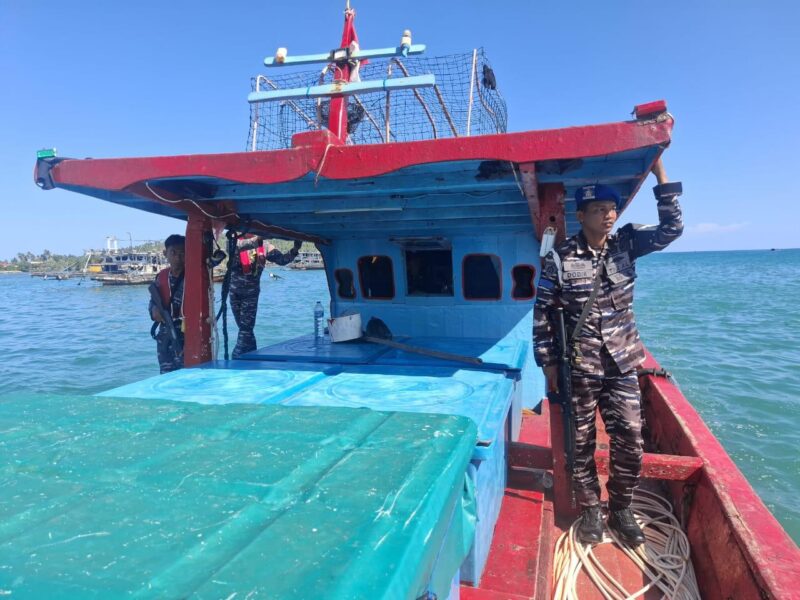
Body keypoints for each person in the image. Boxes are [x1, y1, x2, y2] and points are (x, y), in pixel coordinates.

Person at [533, 158, 683, 545]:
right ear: (581, 215)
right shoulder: (559, 259)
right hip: (580, 369)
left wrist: (660, 175)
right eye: (598, 210)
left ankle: (621, 508)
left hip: (622, 364)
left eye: (611, 209)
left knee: (631, 438)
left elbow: (672, 228)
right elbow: (544, 312)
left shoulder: (627, 244)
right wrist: (548, 363)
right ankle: (590, 510)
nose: (607, 215)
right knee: (579, 443)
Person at [229, 235, 302, 358]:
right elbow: (234, 248)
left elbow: (282, 260)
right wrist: (257, 240)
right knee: (243, 327)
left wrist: (295, 249)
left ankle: (238, 355)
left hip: (251, 293)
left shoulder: (266, 246)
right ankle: (251, 355)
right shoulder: (235, 241)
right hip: (234, 292)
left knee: (246, 328)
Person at [149, 234, 186, 374]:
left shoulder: (195, 275)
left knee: (186, 374)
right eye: (174, 252)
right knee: (165, 375)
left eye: (182, 253)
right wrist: (153, 311)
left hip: (186, 333)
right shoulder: (161, 276)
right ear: (166, 254)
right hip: (165, 333)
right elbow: (153, 300)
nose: (178, 257)